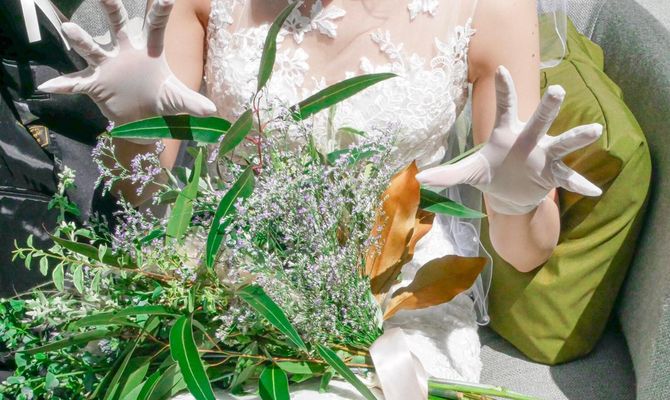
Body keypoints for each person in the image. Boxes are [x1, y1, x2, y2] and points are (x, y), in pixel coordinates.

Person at [39, 0, 603, 396]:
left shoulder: (491, 7)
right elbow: (143, 195)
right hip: (227, 270)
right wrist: (133, 126)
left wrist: (516, 201)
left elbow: (526, 253)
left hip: (393, 289)